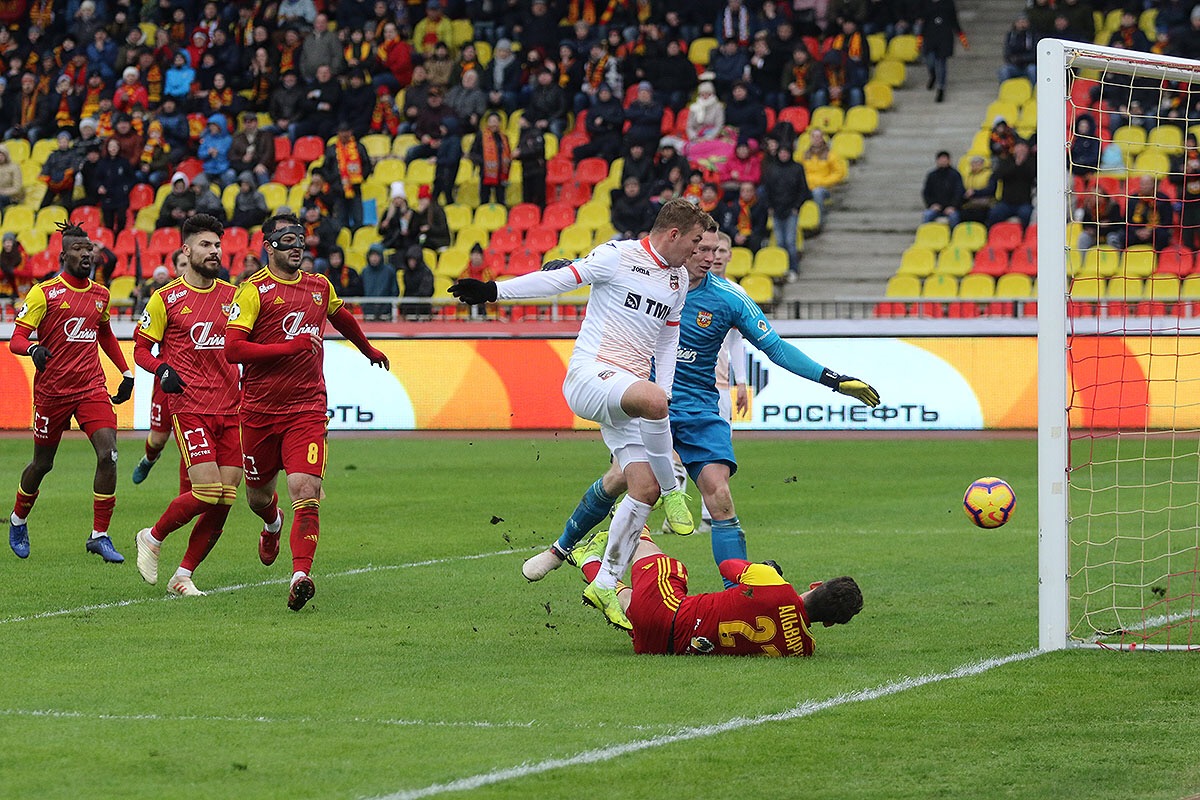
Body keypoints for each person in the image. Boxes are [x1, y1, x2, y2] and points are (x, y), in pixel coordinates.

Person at [522, 228, 879, 594]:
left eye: (715, 250)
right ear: (683, 245)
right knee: (619, 479)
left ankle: (735, 595)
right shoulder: (648, 277)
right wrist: (569, 267)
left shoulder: (729, 298)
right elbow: (606, 265)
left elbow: (775, 348)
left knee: (720, 497)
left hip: (699, 410)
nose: (710, 257)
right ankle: (560, 549)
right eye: (702, 249)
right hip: (649, 403)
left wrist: (832, 380)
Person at [451, 199, 712, 630]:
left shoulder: (678, 279)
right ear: (674, 234)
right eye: (696, 241)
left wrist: (664, 389)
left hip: (626, 392)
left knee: (640, 486)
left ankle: (606, 582)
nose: (698, 251)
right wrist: (494, 291)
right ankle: (674, 491)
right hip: (591, 377)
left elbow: (668, 339)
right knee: (654, 406)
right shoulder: (616, 256)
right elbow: (558, 280)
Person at [224, 213, 390, 610]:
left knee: (306, 490)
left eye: (300, 238)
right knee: (258, 497)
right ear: (269, 246)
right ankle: (272, 523)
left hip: (307, 408)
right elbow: (233, 350)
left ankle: (300, 575)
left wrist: (368, 349)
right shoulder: (253, 291)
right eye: (287, 239)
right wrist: (289, 347)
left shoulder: (319, 286)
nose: (297, 245)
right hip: (259, 411)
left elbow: (341, 317)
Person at [7, 223, 134, 562]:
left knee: (109, 454)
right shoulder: (44, 293)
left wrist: (125, 372)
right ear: (64, 255)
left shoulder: (100, 294)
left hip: (91, 387)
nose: (86, 254)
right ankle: (18, 519)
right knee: (42, 463)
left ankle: (99, 535)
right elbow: (17, 339)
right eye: (78, 249)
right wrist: (33, 349)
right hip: (53, 392)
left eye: (89, 249)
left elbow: (105, 333)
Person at [132, 215, 241, 596]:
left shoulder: (234, 296)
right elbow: (141, 349)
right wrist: (161, 369)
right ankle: (152, 536)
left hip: (232, 408)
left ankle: (183, 575)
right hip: (191, 406)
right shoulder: (165, 298)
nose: (214, 252)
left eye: (217, 245)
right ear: (186, 250)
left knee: (226, 497)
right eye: (206, 245)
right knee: (208, 490)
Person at [569, 527, 862, 654]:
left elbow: (727, 566)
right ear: (829, 623)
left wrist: (763, 568)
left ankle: (631, 508)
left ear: (815, 585)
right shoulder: (803, 649)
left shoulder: (774, 584)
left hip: (670, 610)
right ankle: (585, 559)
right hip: (662, 646)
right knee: (626, 598)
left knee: (670, 566)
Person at [132, 251, 188, 485]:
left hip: (201, 383)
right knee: (158, 438)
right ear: (175, 269)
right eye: (182, 264)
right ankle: (149, 458)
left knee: (191, 444)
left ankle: (195, 496)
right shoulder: (166, 299)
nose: (187, 267)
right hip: (168, 379)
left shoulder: (217, 296)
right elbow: (140, 337)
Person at [761, 142, 812, 278]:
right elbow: (766, 190)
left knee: (790, 241)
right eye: (781, 152)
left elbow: (803, 189)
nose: (783, 155)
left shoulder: (797, 168)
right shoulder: (771, 169)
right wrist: (769, 206)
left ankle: (793, 268)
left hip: (791, 210)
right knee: (780, 242)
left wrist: (797, 206)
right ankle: (782, 268)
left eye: (786, 152)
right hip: (776, 209)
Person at [322, 122, 373, 230]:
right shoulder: (332, 149)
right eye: (342, 132)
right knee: (340, 221)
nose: (344, 134)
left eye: (347, 131)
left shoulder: (359, 147)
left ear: (351, 132)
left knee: (358, 219)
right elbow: (325, 168)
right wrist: (333, 181)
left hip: (355, 188)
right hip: (337, 190)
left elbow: (367, 165)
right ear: (338, 133)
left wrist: (360, 178)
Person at [916, 0, 967, 103]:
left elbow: (954, 19)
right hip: (930, 35)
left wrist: (962, 38)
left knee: (942, 62)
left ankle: (941, 88)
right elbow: (922, 19)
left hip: (944, 36)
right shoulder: (925, 3)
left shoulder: (948, 3)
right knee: (930, 61)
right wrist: (919, 40)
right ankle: (933, 75)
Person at [468, 111, 511, 206]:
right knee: (484, 200)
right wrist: (483, 161)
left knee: (501, 200)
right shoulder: (481, 136)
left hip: (501, 174)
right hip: (486, 173)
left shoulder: (504, 138)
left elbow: (508, 155)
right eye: (491, 121)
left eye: (495, 121)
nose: (493, 124)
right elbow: (473, 153)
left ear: (499, 123)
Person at [921, 150, 965, 229]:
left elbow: (959, 192)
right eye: (941, 159)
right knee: (927, 215)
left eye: (945, 159)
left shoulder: (955, 175)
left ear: (949, 160)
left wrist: (953, 206)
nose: (943, 161)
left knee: (954, 217)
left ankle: (953, 235)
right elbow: (926, 192)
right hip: (936, 207)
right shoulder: (932, 175)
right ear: (937, 161)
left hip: (952, 208)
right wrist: (932, 204)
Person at [512, 115, 547, 207]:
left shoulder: (536, 133)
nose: (519, 121)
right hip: (526, 170)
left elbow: (538, 149)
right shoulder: (522, 134)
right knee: (527, 198)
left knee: (539, 197)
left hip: (537, 170)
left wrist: (521, 153)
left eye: (521, 119)